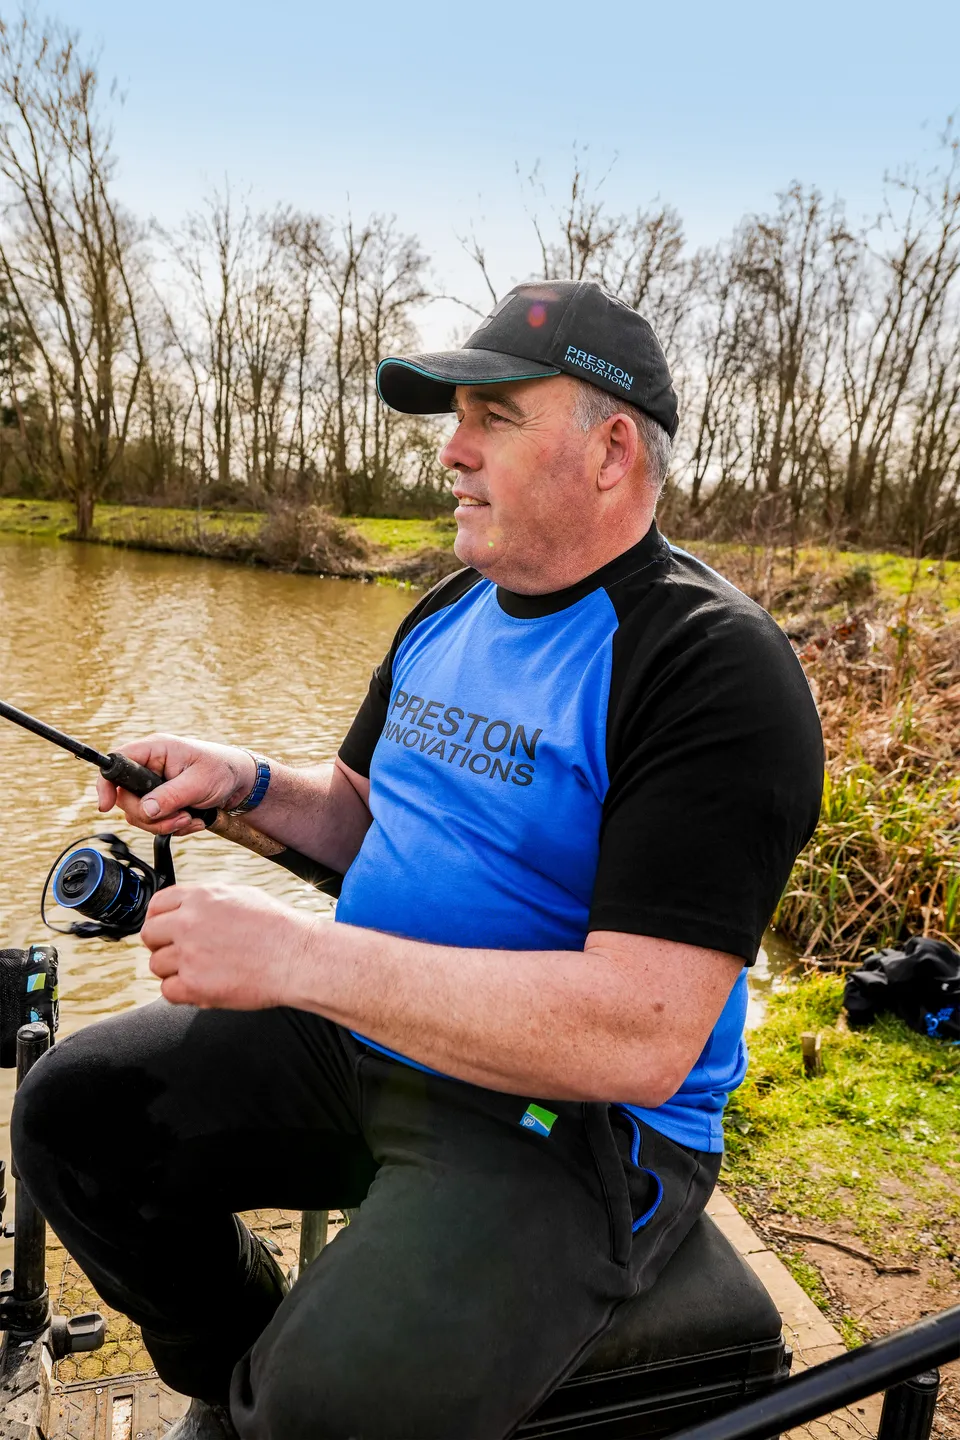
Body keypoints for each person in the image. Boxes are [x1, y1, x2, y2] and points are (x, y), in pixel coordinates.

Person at [12, 280, 823, 1440]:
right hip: (365, 1034)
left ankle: (278, 1403)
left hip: (567, 1123)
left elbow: (640, 1035)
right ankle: (233, 1370)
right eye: (455, 420)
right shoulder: (451, 607)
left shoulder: (712, 668)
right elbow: (357, 814)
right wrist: (237, 781)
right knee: (70, 1117)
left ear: (609, 450)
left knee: (325, 1409)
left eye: (494, 417)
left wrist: (297, 961)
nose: (452, 453)